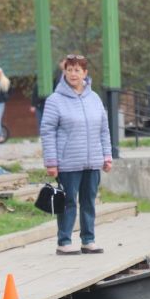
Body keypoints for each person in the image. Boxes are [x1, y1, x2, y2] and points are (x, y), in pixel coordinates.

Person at [40, 54, 112, 256]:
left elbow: (104, 130)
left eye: (77, 70)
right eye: (69, 70)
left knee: (89, 201)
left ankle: (88, 240)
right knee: (69, 201)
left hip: (92, 162)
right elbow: (48, 131)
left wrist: (107, 156)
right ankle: (64, 241)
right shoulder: (55, 100)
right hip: (68, 162)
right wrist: (51, 163)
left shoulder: (95, 98)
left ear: (85, 74)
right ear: (64, 72)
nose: (73, 74)